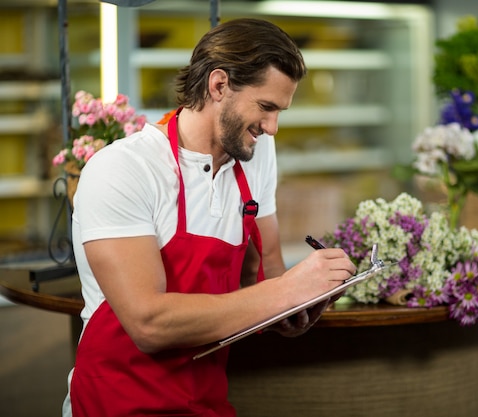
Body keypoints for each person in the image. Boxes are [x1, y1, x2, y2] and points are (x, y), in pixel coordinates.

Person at [62, 18, 356, 417]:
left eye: (280, 111)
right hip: (117, 403)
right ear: (218, 85)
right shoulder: (123, 170)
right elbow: (149, 324)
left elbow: (264, 278)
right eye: (265, 107)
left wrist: (297, 309)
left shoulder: (257, 155)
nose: (272, 128)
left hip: (205, 404)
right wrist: (285, 291)